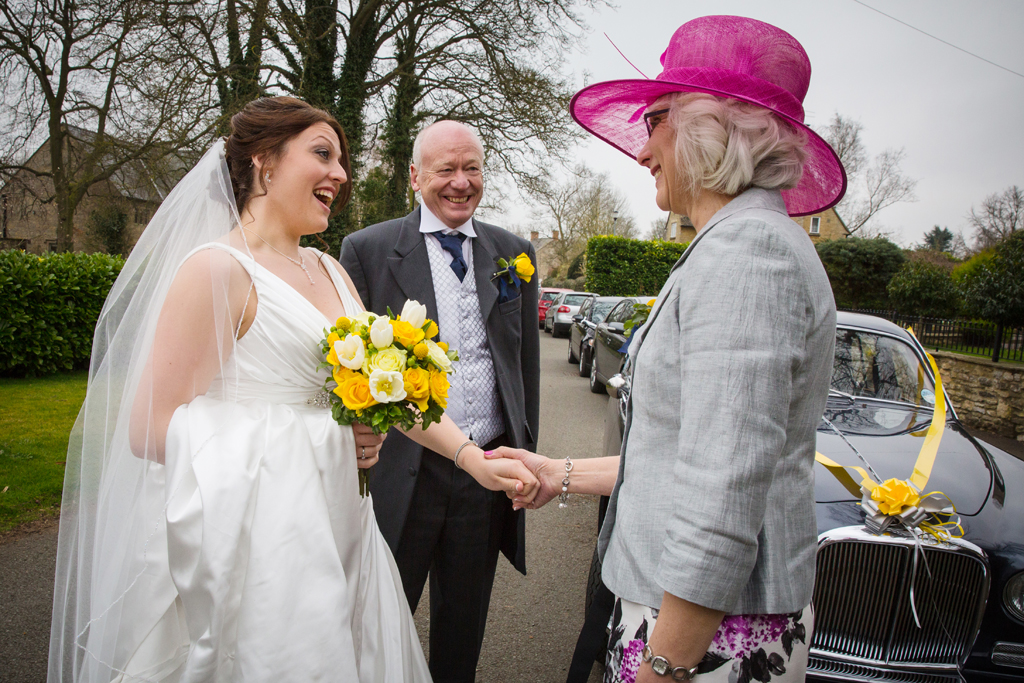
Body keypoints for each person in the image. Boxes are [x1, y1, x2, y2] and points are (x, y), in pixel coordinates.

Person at [47, 97, 537, 683]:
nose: (341, 174)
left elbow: (392, 395)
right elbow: (149, 429)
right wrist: (326, 435)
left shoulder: (327, 269)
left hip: (343, 527)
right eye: (323, 154)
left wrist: (471, 460)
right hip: (262, 547)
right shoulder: (216, 269)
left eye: (342, 160)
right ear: (265, 163)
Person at [491, 16, 846, 683]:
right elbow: (682, 455)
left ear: (716, 129)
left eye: (655, 119)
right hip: (698, 624)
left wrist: (663, 666)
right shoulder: (736, 241)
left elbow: (724, 489)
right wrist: (558, 472)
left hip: (708, 637)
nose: (642, 147)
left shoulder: (750, 253)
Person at [340, 120, 540, 683]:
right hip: (403, 473)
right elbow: (346, 367)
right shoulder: (368, 250)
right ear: (415, 176)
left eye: (471, 168)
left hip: (487, 472)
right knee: (381, 622)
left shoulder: (513, 253)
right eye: (445, 169)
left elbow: (523, 370)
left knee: (464, 627)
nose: (460, 182)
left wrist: (525, 447)